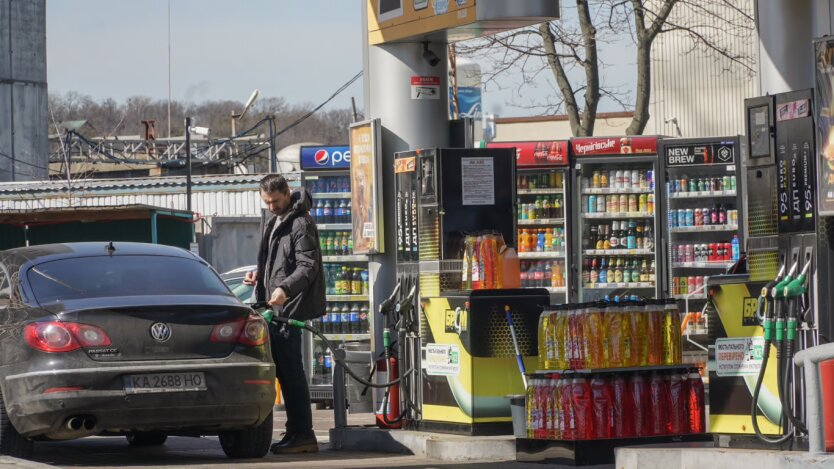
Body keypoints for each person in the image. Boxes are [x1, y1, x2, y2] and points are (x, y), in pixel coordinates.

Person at [244, 174, 325, 455]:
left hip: (287, 310)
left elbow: (307, 266)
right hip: (274, 309)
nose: (271, 207)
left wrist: (284, 290)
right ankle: (296, 431)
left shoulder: (301, 223)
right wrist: (259, 276)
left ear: (287, 193)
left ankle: (303, 434)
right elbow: (276, 262)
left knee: (291, 374)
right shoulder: (274, 220)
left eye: (275, 201)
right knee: (285, 373)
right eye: (266, 202)